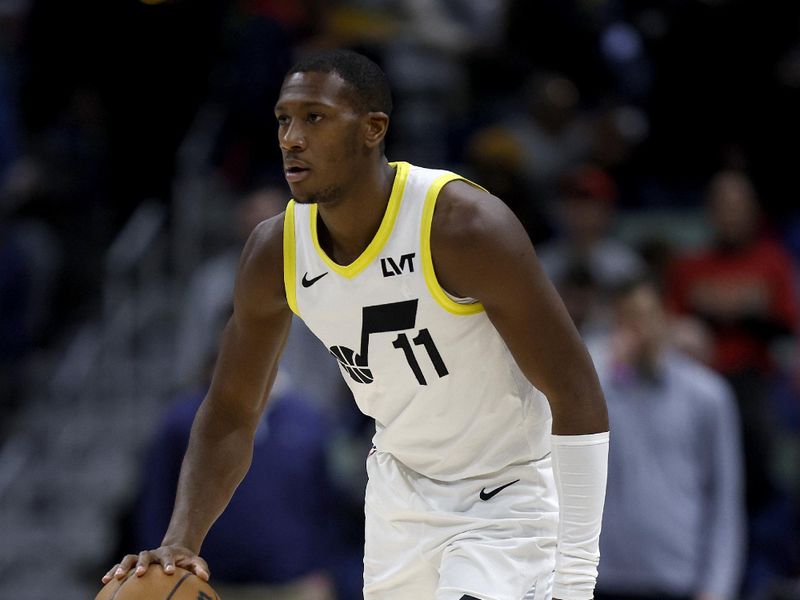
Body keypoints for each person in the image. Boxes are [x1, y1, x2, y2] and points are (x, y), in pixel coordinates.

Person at [102, 49, 609, 600]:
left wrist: (577, 577)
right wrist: (182, 540)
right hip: (400, 498)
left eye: (314, 117)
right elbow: (230, 411)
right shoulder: (274, 252)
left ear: (373, 129)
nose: (291, 138)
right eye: (283, 119)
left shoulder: (464, 226)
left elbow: (578, 395)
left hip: (506, 492)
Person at [588, 277, 745, 600]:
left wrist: (718, 585)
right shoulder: (597, 393)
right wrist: (609, 372)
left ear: (667, 319)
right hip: (603, 579)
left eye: (646, 317)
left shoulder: (707, 395)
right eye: (627, 320)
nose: (639, 331)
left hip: (677, 579)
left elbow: (725, 496)